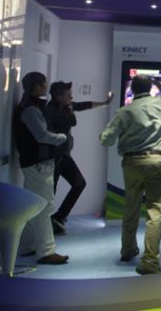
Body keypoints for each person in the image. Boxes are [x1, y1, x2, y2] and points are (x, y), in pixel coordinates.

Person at [99, 75, 161, 275]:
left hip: (131, 163)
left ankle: (128, 250)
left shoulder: (124, 111)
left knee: (131, 207)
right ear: (150, 88)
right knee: (155, 211)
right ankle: (150, 261)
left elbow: (106, 140)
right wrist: (159, 84)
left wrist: (105, 136)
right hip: (157, 161)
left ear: (132, 90)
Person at [14, 72, 70, 265]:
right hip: (38, 164)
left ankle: (27, 245)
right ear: (37, 86)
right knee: (45, 207)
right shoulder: (31, 109)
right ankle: (46, 252)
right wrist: (62, 138)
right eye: (44, 83)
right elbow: (41, 135)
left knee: (32, 206)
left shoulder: (30, 106)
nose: (46, 86)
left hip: (34, 163)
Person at [44, 81, 113, 234]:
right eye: (68, 95)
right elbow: (72, 121)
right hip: (54, 157)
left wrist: (105, 103)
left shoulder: (65, 106)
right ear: (58, 97)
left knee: (79, 183)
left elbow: (83, 105)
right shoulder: (51, 110)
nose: (72, 98)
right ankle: (46, 225)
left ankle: (59, 217)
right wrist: (70, 109)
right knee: (51, 192)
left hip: (64, 156)